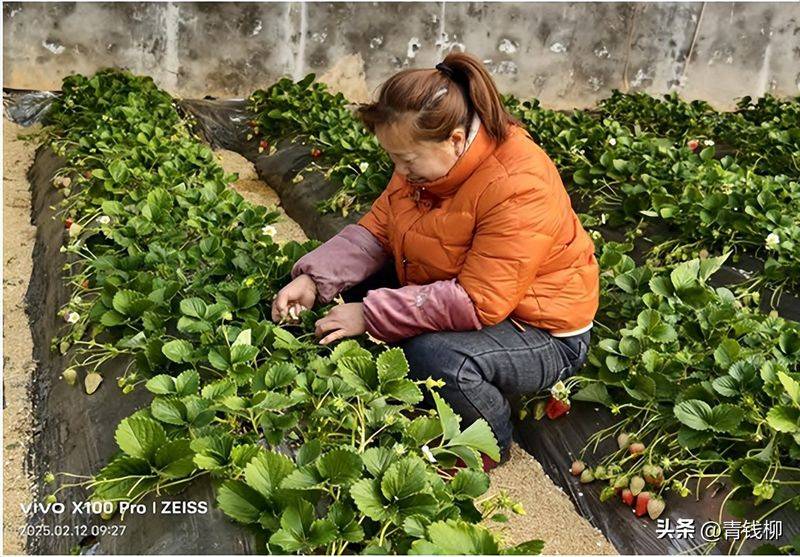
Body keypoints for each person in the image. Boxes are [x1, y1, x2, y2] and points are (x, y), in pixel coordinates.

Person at [271, 51, 599, 470]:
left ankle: (488, 439)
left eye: (406, 160)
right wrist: (313, 280)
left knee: (437, 356)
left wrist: (369, 316)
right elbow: (379, 230)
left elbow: (479, 302)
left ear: (456, 140)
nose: (399, 171)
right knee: (349, 286)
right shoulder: (422, 163)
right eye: (393, 158)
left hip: (539, 330)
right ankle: (402, 382)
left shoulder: (518, 185)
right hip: (467, 288)